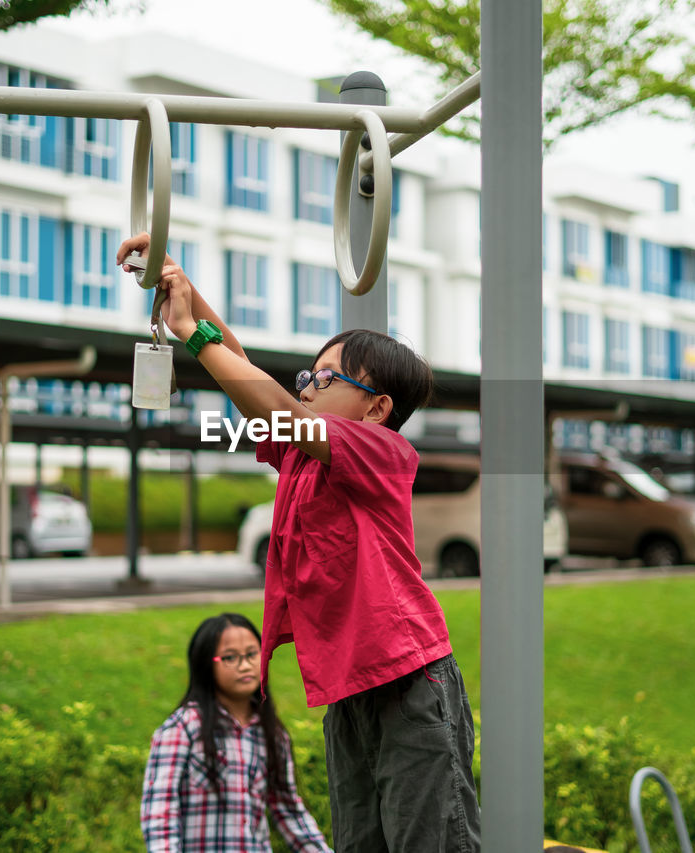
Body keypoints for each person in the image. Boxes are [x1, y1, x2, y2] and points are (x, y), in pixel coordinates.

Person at [119, 235, 481, 853]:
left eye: (326, 376)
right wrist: (180, 286)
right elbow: (252, 378)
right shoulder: (300, 456)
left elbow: (280, 405)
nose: (307, 384)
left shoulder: (383, 450)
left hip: (409, 680)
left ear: (377, 408)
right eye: (306, 375)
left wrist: (193, 336)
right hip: (350, 688)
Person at [140, 612, 331, 853]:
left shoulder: (271, 733)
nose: (245, 665)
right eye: (230, 658)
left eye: (252, 654)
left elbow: (289, 810)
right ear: (205, 664)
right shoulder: (182, 729)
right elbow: (160, 813)